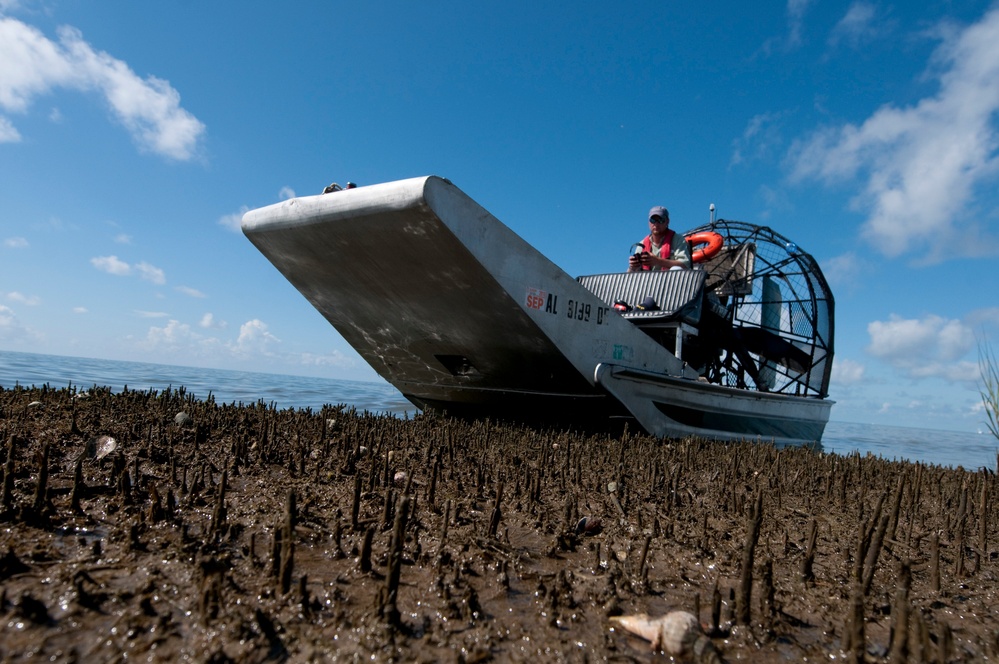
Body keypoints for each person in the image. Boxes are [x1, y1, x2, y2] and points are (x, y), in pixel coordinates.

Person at [628, 206, 691, 272]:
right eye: (653, 220)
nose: (656, 224)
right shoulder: (641, 245)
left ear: (667, 221)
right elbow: (630, 275)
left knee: (676, 269)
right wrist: (632, 267)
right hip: (648, 281)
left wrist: (657, 261)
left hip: (671, 281)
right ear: (649, 222)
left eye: (660, 220)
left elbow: (685, 265)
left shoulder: (678, 239)